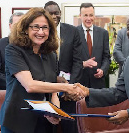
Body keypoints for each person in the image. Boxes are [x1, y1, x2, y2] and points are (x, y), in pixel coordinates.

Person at [0, 7, 84, 133]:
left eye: (45, 27)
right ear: (26, 29)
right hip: (17, 121)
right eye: (35, 27)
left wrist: (56, 113)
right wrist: (66, 87)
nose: (41, 32)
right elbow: (30, 85)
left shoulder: (51, 54)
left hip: (44, 122)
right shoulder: (14, 50)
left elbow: (53, 92)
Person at [44, 1, 82, 133]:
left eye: (57, 13)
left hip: (68, 91)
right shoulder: (40, 32)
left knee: (69, 126)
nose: (54, 16)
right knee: (49, 126)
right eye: (50, 13)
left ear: (60, 13)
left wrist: (70, 88)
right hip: (46, 90)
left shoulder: (72, 31)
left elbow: (78, 61)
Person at [77, 3, 110, 88]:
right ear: (80, 16)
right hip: (80, 83)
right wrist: (83, 64)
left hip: (98, 83)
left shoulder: (103, 33)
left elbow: (106, 57)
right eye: (85, 15)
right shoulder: (74, 33)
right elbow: (70, 60)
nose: (89, 18)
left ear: (94, 16)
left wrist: (103, 70)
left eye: (91, 15)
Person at [0, 12, 24, 90]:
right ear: (10, 26)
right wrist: (19, 85)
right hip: (4, 92)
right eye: (16, 25)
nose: (19, 28)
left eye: (22, 25)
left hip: (28, 94)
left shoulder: (30, 46)